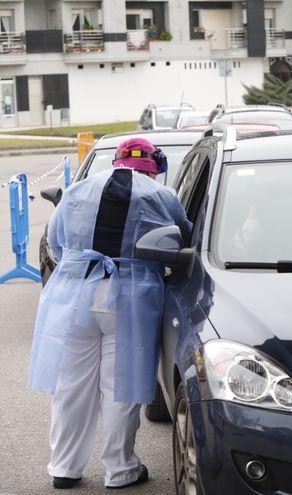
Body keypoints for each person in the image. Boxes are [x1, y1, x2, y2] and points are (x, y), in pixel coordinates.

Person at [28, 138, 191, 489]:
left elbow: (55, 244)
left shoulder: (76, 190)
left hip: (75, 295)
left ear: (116, 162)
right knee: (123, 386)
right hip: (130, 300)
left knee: (71, 386)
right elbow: (183, 241)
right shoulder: (162, 196)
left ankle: (64, 468)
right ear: (152, 168)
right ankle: (120, 471)